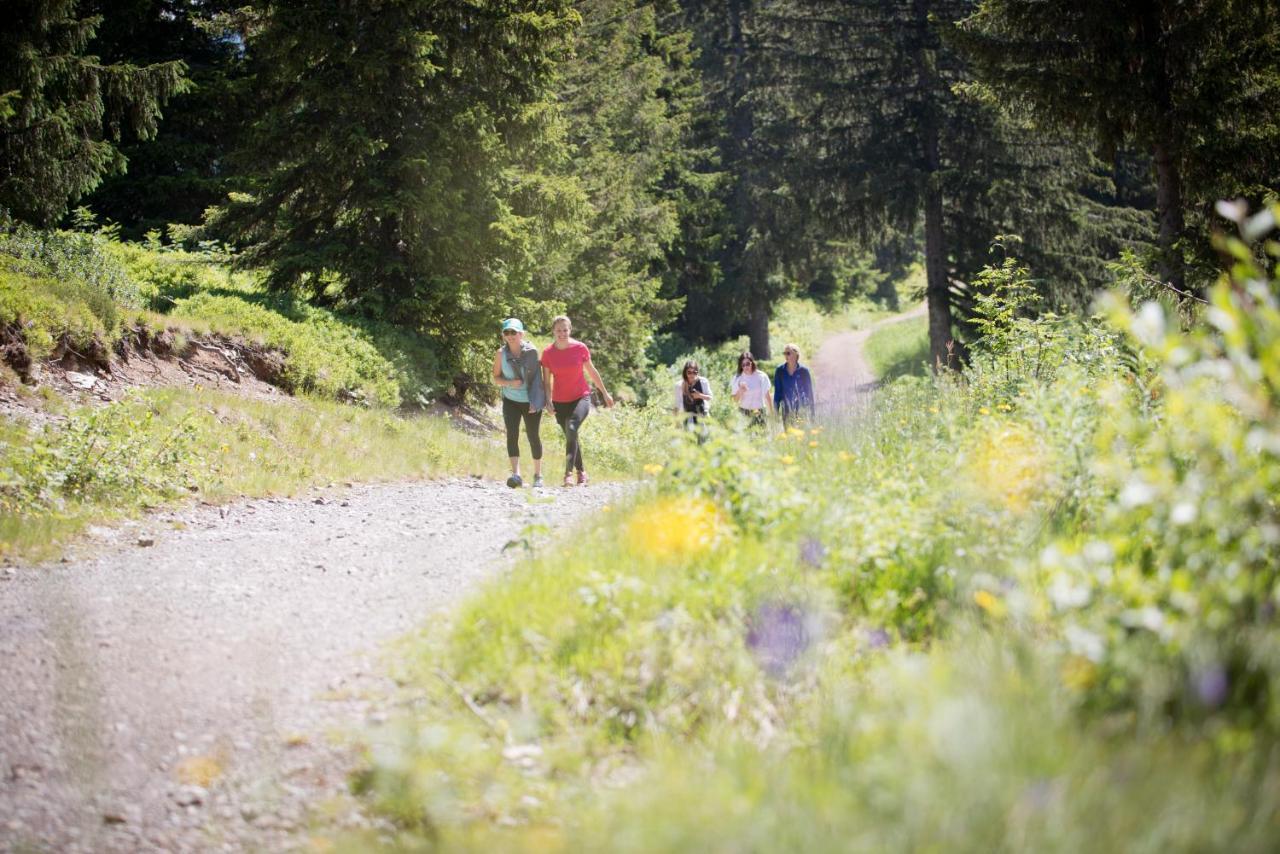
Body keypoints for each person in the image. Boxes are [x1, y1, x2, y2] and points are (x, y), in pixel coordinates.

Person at [541, 315, 614, 487]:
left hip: (581, 396)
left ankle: (568, 473)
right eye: (558, 330)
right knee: (571, 435)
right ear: (553, 331)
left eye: (565, 330)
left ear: (570, 330)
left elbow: (592, 371)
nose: (562, 333)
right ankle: (582, 473)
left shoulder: (580, 348)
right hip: (559, 401)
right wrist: (548, 400)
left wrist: (605, 393)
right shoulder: (548, 353)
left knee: (572, 427)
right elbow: (546, 381)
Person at [492, 318, 545, 488]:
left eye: (513, 332)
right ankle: (516, 475)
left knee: (533, 436)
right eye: (506, 332)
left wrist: (535, 401)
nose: (510, 336)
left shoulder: (531, 352)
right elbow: (496, 378)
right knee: (512, 435)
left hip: (530, 402)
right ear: (503, 335)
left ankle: (538, 475)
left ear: (521, 334)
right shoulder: (500, 354)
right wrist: (509, 383)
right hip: (511, 401)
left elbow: (538, 379)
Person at [773, 342, 815, 428]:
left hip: (801, 409)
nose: (786, 356)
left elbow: (809, 393)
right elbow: (777, 393)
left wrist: (812, 413)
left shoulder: (804, 371)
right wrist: (776, 412)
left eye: (788, 353)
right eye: (784, 353)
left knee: (801, 435)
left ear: (796, 354)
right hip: (786, 411)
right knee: (789, 436)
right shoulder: (780, 370)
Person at [731, 351, 773, 428]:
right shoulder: (737, 378)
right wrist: (740, 391)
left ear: (752, 363)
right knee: (745, 438)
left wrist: (771, 412)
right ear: (740, 366)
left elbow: (767, 396)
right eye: (743, 365)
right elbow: (734, 400)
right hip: (744, 412)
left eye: (747, 364)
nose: (746, 367)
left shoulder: (761, 376)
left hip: (759, 411)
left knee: (761, 438)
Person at [673, 360, 712, 429]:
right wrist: (677, 422)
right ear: (685, 373)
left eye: (694, 372)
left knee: (703, 438)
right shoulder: (679, 385)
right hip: (687, 417)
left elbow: (710, 397)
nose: (692, 375)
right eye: (689, 372)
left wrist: (699, 395)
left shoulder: (703, 381)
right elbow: (677, 405)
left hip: (702, 416)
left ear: (697, 372)